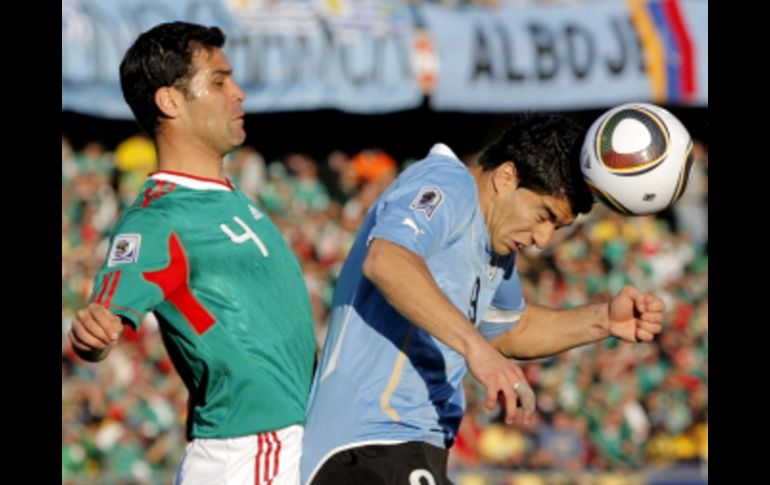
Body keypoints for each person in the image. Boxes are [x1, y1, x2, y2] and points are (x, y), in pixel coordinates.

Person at [300, 114, 665, 484]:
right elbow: (387, 260)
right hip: (367, 442)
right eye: (544, 216)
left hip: (412, 448)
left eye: (557, 228)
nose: (543, 239)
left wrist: (603, 320)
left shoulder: (497, 249)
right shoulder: (447, 183)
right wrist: (475, 347)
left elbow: (511, 331)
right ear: (506, 177)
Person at [65, 22, 316, 484]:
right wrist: (92, 337)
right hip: (249, 450)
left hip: (273, 445)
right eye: (219, 81)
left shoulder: (227, 196)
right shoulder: (157, 219)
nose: (238, 93)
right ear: (170, 101)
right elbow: (104, 320)